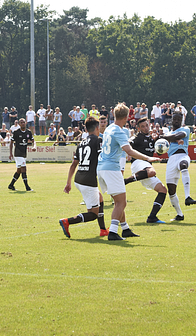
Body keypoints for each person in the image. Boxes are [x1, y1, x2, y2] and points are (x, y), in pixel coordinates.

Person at [98, 103, 160, 241]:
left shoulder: (108, 128)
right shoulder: (119, 131)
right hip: (111, 169)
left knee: (118, 200)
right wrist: (147, 157)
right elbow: (129, 151)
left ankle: (125, 229)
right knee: (121, 203)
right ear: (126, 117)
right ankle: (113, 232)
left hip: (101, 168)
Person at [59, 117, 108, 238]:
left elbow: (73, 164)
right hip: (88, 181)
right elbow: (103, 158)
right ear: (97, 128)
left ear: (85, 129)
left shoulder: (81, 143)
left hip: (78, 178)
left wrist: (68, 183)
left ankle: (103, 230)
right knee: (93, 214)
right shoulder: (98, 140)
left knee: (100, 199)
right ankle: (67, 221)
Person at [123, 117, 173, 223]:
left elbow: (159, 153)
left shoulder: (151, 138)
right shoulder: (137, 137)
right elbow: (128, 143)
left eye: (146, 125)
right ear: (138, 128)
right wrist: (128, 153)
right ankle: (125, 181)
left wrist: (160, 145)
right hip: (138, 163)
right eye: (142, 126)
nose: (145, 128)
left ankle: (152, 217)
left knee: (163, 190)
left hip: (145, 169)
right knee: (152, 172)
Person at [158, 110, 196, 221]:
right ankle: (179, 214)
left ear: (182, 121)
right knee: (171, 191)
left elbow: (178, 135)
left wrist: (165, 137)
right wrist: (170, 138)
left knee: (183, 165)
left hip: (182, 155)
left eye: (179, 120)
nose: (176, 121)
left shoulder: (185, 129)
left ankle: (187, 197)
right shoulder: (168, 132)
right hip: (171, 159)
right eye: (175, 119)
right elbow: (164, 144)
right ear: (172, 119)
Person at [8, 118, 35, 191]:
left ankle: (11, 185)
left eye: (24, 122)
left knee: (19, 171)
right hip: (18, 153)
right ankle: (27, 187)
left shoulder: (28, 132)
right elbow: (11, 142)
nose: (23, 123)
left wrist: (34, 146)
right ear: (19, 124)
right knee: (24, 169)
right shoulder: (16, 132)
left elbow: (33, 140)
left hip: (24, 154)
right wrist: (10, 153)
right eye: (21, 122)